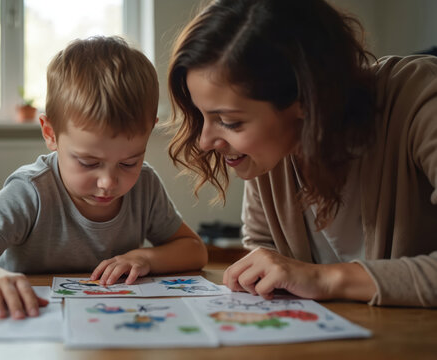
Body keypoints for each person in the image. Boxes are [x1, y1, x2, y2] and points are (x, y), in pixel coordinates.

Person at [167, 0, 437, 307]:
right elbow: (264, 252)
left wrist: (323, 279)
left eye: (230, 122)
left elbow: (301, 276)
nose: (203, 142)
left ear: (307, 101)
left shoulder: (420, 99)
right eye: (201, 116)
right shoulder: (269, 155)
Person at [0, 36, 207, 320]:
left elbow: (194, 250)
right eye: (88, 162)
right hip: (28, 320)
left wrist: (144, 258)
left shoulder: (145, 186)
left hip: (107, 319)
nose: (108, 181)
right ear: (50, 134)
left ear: (149, 131)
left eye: (129, 162)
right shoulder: (31, 191)